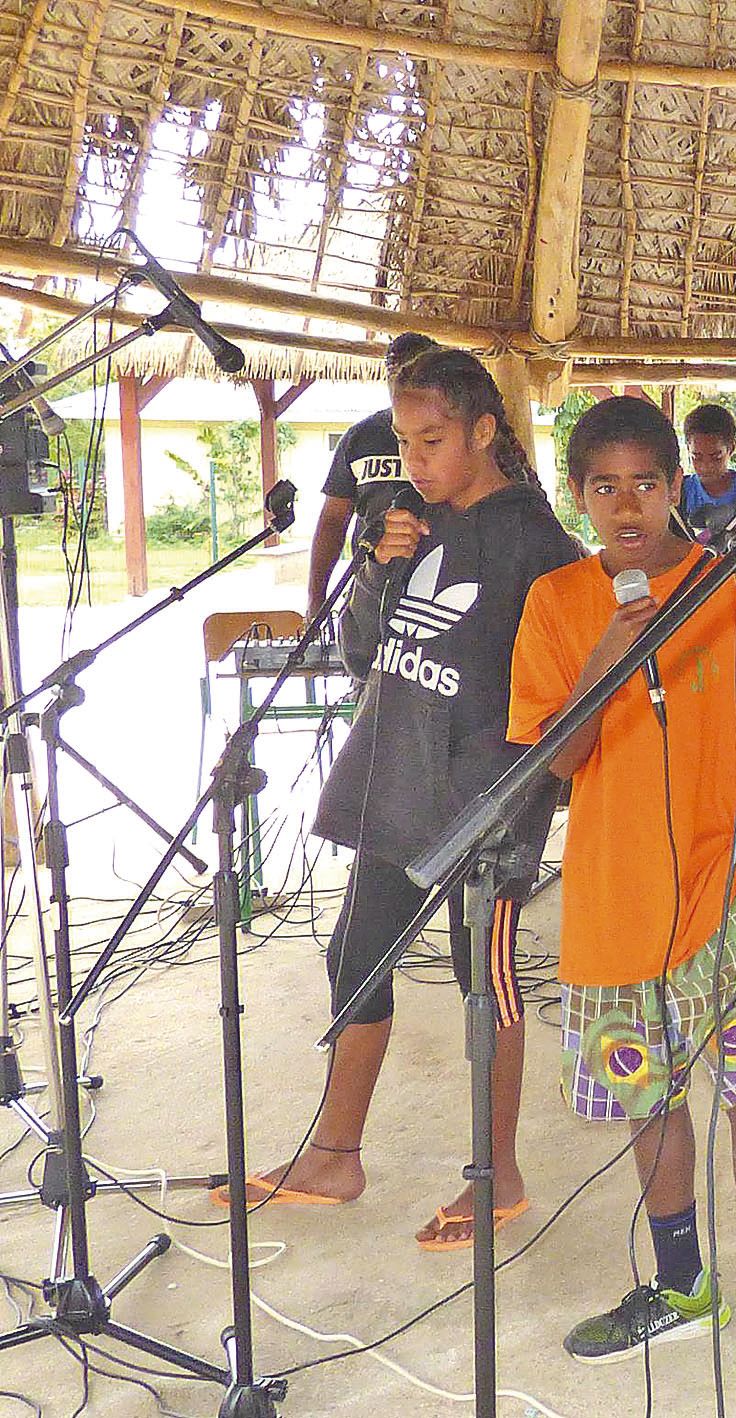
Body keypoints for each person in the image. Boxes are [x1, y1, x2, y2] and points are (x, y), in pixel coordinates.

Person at [507, 396, 736, 1412]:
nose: (627, 506)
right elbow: (556, 757)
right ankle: (681, 1282)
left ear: (679, 484)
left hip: (729, 892)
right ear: (577, 497)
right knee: (649, 1095)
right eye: (603, 487)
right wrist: (608, 655)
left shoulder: (734, 587)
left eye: (645, 482)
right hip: (614, 896)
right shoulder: (555, 603)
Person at [220, 349, 579, 1252]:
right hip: (393, 785)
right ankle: (334, 1154)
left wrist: (512, 791)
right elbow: (361, 654)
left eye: (433, 440)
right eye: (405, 442)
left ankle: (495, 1174)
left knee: (481, 980)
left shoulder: (535, 543)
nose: (414, 461)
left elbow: (568, 678)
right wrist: (378, 567)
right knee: (358, 962)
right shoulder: (411, 523)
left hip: (478, 807)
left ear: (485, 432)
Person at [304, 331, 440, 624]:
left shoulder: (454, 437)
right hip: (370, 594)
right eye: (394, 372)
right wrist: (316, 599)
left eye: (413, 372)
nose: (401, 382)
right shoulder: (360, 438)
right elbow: (332, 523)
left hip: (438, 591)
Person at [679, 400, 736, 539]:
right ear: (688, 448)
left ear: (732, 448)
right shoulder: (678, 492)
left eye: (716, 457)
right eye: (697, 457)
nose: (706, 466)